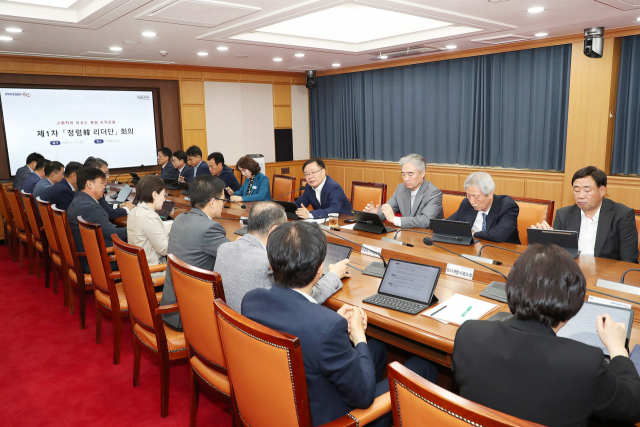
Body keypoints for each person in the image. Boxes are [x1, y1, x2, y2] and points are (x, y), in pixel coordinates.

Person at [242, 222, 437, 427]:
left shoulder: (252, 301)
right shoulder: (326, 327)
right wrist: (359, 336)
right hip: (329, 419)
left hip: (278, 404)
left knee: (377, 348)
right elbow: (364, 398)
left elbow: (304, 324)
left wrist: (331, 321)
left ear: (271, 265)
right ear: (319, 269)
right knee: (423, 367)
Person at [452, 243, 640, 427]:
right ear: (574, 303)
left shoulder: (468, 334)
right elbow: (633, 406)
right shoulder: (585, 363)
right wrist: (617, 347)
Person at [215, 201, 349, 312]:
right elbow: (303, 295)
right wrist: (334, 276)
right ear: (274, 231)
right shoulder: (268, 262)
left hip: (231, 329)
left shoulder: (224, 249)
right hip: (261, 334)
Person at [160, 175, 230, 330]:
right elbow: (234, 256)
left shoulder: (180, 219)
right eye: (223, 200)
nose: (224, 204)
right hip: (191, 315)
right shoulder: (210, 228)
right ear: (212, 202)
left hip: (172, 307)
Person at [532, 166, 639, 263]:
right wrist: (545, 238)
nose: (581, 196)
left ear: (602, 190)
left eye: (587, 190)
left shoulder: (622, 215)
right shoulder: (563, 214)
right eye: (576, 190)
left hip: (604, 276)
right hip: (571, 273)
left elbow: (628, 261)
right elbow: (556, 256)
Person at [67, 167, 127, 273]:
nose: (104, 186)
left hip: (88, 256)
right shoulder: (89, 207)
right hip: (98, 262)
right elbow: (114, 235)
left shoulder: (79, 201)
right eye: (101, 183)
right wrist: (137, 227)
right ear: (90, 184)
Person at [363, 154, 443, 229]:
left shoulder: (433, 193)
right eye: (403, 174)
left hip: (427, 238)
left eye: (410, 174)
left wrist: (395, 219)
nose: (406, 179)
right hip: (407, 234)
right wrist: (375, 214)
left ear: (422, 173)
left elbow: (425, 221)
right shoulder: (401, 188)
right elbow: (388, 208)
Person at [447, 172, 520, 244]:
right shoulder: (466, 203)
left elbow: (498, 235)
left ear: (490, 194)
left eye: (476, 197)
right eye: (468, 196)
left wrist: (473, 234)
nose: (471, 201)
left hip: (503, 252)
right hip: (472, 251)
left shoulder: (507, 206)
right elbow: (447, 225)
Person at [127, 175, 170, 277]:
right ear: (154, 195)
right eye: (163, 195)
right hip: (153, 272)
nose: (164, 199)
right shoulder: (149, 217)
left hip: (138, 269)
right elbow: (164, 250)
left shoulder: (134, 211)